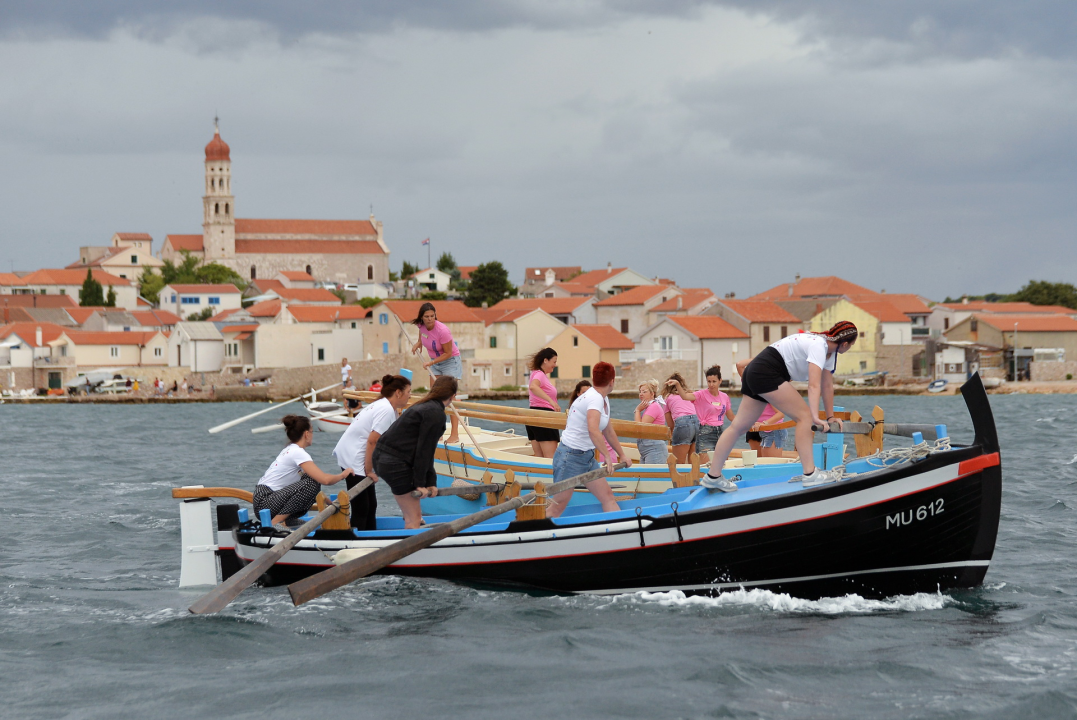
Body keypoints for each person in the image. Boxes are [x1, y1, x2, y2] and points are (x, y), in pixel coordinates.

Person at [703, 321, 859, 492]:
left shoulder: (829, 352)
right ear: (844, 344)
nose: (849, 349)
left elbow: (827, 386)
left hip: (755, 371)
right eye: (851, 346)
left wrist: (830, 417)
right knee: (804, 417)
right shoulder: (819, 346)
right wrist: (814, 416)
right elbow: (814, 385)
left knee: (738, 427)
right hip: (766, 372)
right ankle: (810, 474)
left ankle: (713, 476)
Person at [547, 362, 632, 518]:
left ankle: (620, 530)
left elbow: (607, 429)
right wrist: (607, 456)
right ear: (612, 381)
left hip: (586, 457)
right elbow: (593, 430)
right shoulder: (594, 399)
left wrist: (622, 454)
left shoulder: (603, 399)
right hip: (570, 457)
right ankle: (535, 535)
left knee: (608, 497)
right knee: (557, 507)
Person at [372, 376, 456, 529]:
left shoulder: (423, 406)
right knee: (414, 519)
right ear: (453, 397)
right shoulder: (435, 413)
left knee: (413, 517)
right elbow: (425, 451)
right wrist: (420, 484)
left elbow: (425, 450)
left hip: (381, 459)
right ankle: (407, 551)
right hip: (395, 463)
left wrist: (430, 483)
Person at [333, 374, 412, 531]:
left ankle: (369, 536)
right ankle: (357, 544)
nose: (410, 396)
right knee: (362, 506)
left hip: (354, 453)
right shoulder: (386, 410)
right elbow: (372, 441)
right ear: (398, 392)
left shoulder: (388, 407)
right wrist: (369, 470)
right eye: (409, 391)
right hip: (354, 457)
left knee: (371, 504)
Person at [254, 415, 352, 528]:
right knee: (312, 482)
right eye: (312, 431)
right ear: (306, 434)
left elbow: (312, 488)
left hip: (264, 500)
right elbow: (325, 480)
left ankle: (290, 520)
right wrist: (344, 474)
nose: (312, 434)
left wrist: (331, 504)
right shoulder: (298, 452)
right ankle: (275, 523)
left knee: (310, 479)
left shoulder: (290, 449)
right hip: (265, 502)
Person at [411, 302, 462, 443]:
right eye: (426, 316)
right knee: (435, 397)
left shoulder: (443, 331)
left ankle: (455, 434)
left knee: (449, 397)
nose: (429, 319)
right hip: (434, 361)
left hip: (450, 361)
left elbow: (448, 353)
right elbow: (422, 334)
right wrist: (418, 343)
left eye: (432, 316)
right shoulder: (421, 325)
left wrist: (431, 363)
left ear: (435, 315)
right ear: (422, 318)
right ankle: (438, 431)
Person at [525, 348, 560, 458]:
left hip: (533, 416)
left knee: (540, 458)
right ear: (545, 360)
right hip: (544, 416)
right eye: (554, 362)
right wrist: (551, 402)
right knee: (551, 458)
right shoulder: (539, 374)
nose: (555, 365)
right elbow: (533, 387)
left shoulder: (535, 373)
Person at [694, 366, 735, 455]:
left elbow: (731, 416)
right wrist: (678, 385)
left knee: (722, 462)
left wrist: (746, 424)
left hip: (720, 431)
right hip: (705, 431)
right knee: (705, 463)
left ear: (720, 381)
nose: (711, 384)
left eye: (714, 381)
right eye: (709, 381)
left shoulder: (724, 396)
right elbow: (685, 397)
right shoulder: (701, 394)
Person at [663, 373, 700, 463]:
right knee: (693, 463)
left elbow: (670, 425)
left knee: (678, 463)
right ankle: (694, 477)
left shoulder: (668, 398)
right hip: (697, 422)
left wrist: (671, 439)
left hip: (683, 422)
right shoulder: (689, 395)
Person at [633, 379, 669, 464]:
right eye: (640, 391)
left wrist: (637, 410)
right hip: (647, 449)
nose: (641, 394)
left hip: (654, 449)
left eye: (644, 392)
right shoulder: (650, 407)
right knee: (642, 476)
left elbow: (640, 428)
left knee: (651, 476)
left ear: (652, 394)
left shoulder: (654, 407)